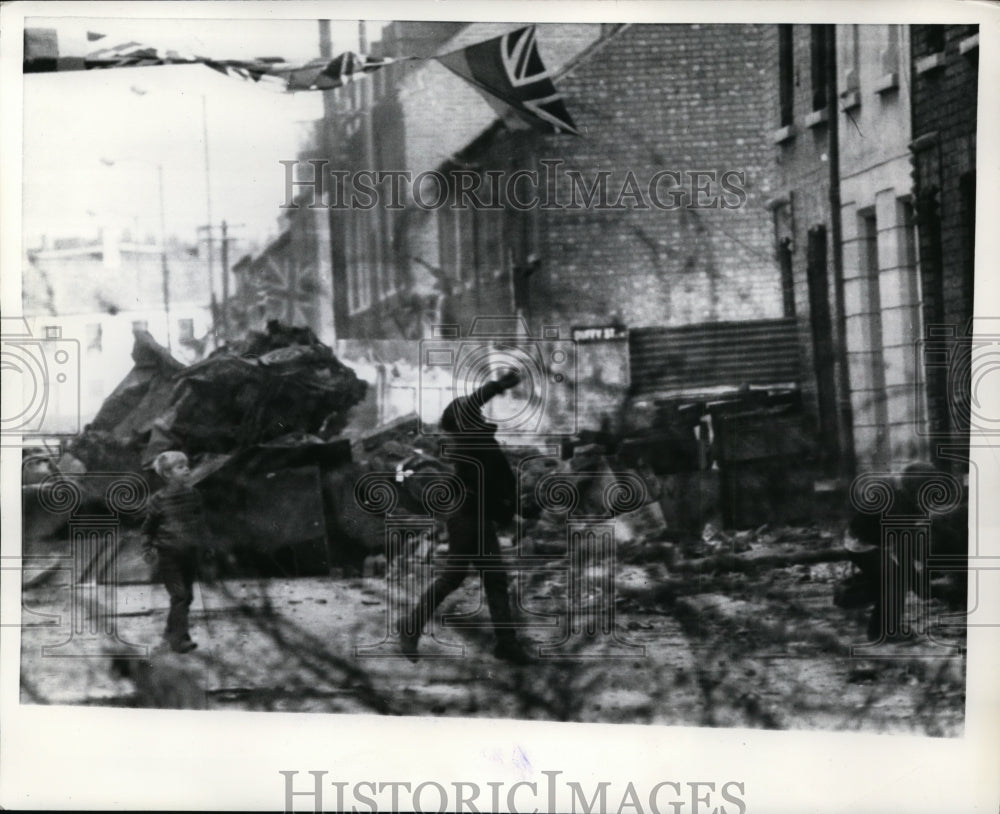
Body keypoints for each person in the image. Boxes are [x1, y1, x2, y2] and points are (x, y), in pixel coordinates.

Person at [400, 370, 531, 664]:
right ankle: (410, 626)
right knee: (455, 577)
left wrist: (506, 510)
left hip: (476, 517)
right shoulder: (468, 441)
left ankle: (507, 644)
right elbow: (490, 487)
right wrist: (499, 385)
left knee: (491, 579)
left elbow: (472, 403)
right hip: (469, 518)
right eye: (472, 412)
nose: (479, 413)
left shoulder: (473, 438)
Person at [141, 451, 210, 654]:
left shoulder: (194, 495)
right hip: (168, 555)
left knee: (186, 597)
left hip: (190, 553)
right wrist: (147, 547)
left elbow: (201, 524)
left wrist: (208, 546)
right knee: (179, 595)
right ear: (167, 474)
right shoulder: (158, 500)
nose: (187, 469)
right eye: (180, 467)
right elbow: (147, 528)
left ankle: (171, 632)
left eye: (187, 465)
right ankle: (179, 640)